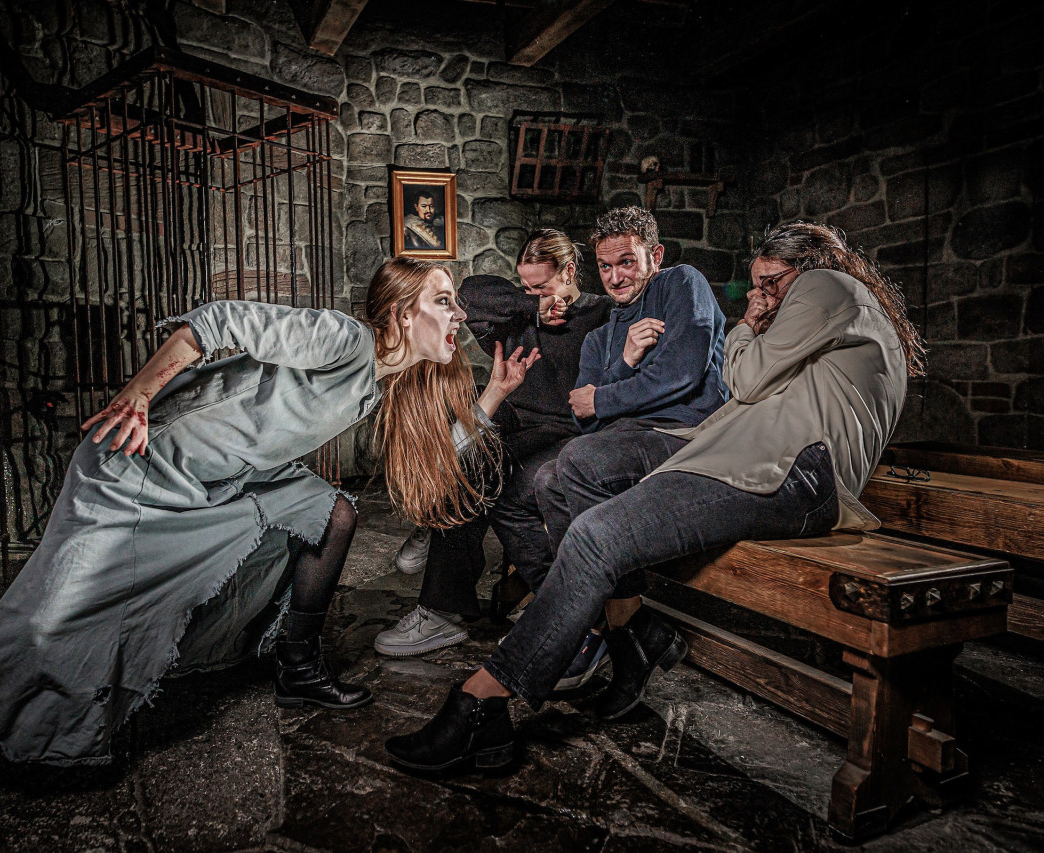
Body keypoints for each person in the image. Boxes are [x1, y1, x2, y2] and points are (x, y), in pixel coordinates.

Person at [0, 257, 538, 838]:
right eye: (443, 301)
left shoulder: (383, 382)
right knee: (47, 621)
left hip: (231, 479)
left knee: (332, 512)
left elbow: (434, 457)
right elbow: (216, 321)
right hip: (140, 467)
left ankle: (298, 665)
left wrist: (497, 391)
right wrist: (137, 395)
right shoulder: (342, 337)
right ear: (399, 314)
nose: (459, 316)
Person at [383, 221, 925, 773]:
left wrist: (744, 327)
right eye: (758, 285)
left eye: (770, 283)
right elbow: (593, 403)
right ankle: (626, 634)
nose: (761, 296)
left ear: (807, 266)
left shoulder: (824, 286)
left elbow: (739, 378)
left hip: (792, 472)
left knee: (595, 530)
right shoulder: (825, 312)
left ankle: (493, 693)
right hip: (751, 462)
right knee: (577, 497)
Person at [375, 229, 608, 664]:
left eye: (542, 286)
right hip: (511, 415)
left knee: (480, 468)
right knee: (458, 433)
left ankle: (440, 607)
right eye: (525, 286)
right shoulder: (520, 312)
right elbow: (471, 293)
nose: (534, 293)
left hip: (562, 430)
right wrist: (533, 305)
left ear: (570, 271)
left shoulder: (600, 314)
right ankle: (434, 522)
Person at [526, 205, 730, 685]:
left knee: (575, 462)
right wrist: (626, 361)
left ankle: (608, 627)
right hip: (626, 440)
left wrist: (603, 397)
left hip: (687, 435)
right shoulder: (600, 338)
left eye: (627, 262)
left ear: (654, 256)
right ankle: (627, 625)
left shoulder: (680, 284)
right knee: (547, 479)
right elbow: (582, 417)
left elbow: (682, 374)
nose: (615, 277)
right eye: (605, 266)